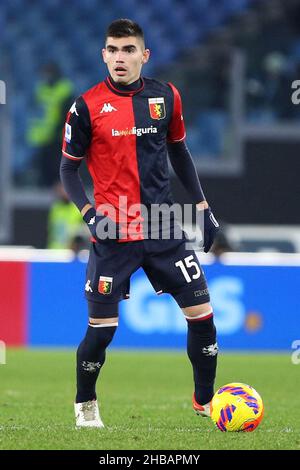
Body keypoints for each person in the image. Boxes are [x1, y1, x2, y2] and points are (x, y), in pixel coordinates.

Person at [60, 19, 219, 428]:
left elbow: (180, 153)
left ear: (144, 55)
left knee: (203, 315)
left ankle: (205, 401)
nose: (119, 58)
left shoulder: (166, 96)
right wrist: (90, 213)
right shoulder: (85, 107)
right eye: (112, 50)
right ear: (103, 55)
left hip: (165, 226)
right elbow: (68, 169)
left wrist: (203, 206)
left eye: (128, 50)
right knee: (101, 331)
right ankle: (85, 404)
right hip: (114, 232)